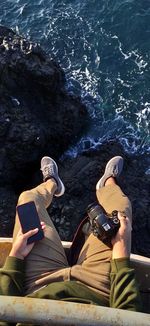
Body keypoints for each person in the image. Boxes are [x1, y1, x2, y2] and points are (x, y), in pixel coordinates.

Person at [0, 156, 142, 325]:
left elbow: (4, 317)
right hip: (97, 291)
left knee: (28, 200)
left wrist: (16, 257)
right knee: (121, 210)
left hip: (39, 286)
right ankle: (108, 183)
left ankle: (52, 183)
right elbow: (130, 315)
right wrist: (121, 256)